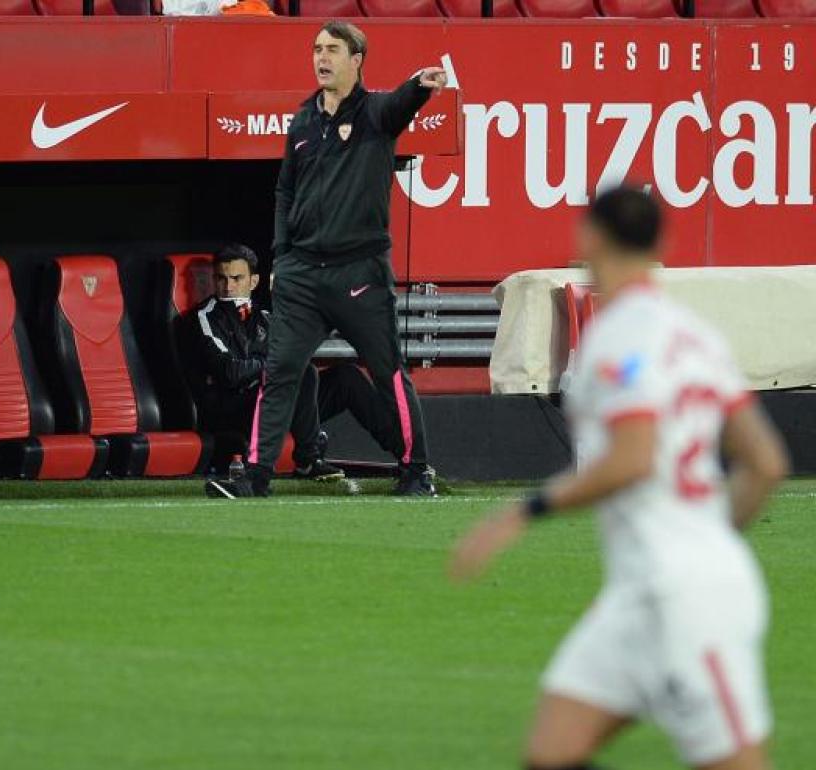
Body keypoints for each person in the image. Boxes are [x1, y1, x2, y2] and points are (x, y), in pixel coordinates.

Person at [450, 186, 789, 770]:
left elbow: (633, 458)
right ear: (662, 243)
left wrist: (523, 511)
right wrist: (713, 541)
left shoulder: (618, 336)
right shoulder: (695, 335)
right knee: (552, 752)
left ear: (590, 238)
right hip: (639, 596)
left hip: (687, 599)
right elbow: (765, 463)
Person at [212, 20, 448, 499]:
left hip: (359, 271)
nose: (322, 57)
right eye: (317, 49)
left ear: (356, 59)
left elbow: (401, 102)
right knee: (279, 371)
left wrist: (419, 88)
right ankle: (256, 476)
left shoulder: (377, 113)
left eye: (333, 49)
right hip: (301, 273)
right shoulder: (302, 122)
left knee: (387, 372)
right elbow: (285, 190)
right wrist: (282, 255)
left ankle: (415, 469)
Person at [192, 244, 401, 495]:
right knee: (302, 373)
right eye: (221, 278)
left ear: (254, 280)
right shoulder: (205, 317)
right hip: (235, 409)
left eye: (236, 278)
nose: (228, 286)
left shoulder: (267, 316)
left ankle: (407, 456)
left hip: (276, 402)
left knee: (346, 376)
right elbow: (231, 373)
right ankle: (308, 459)